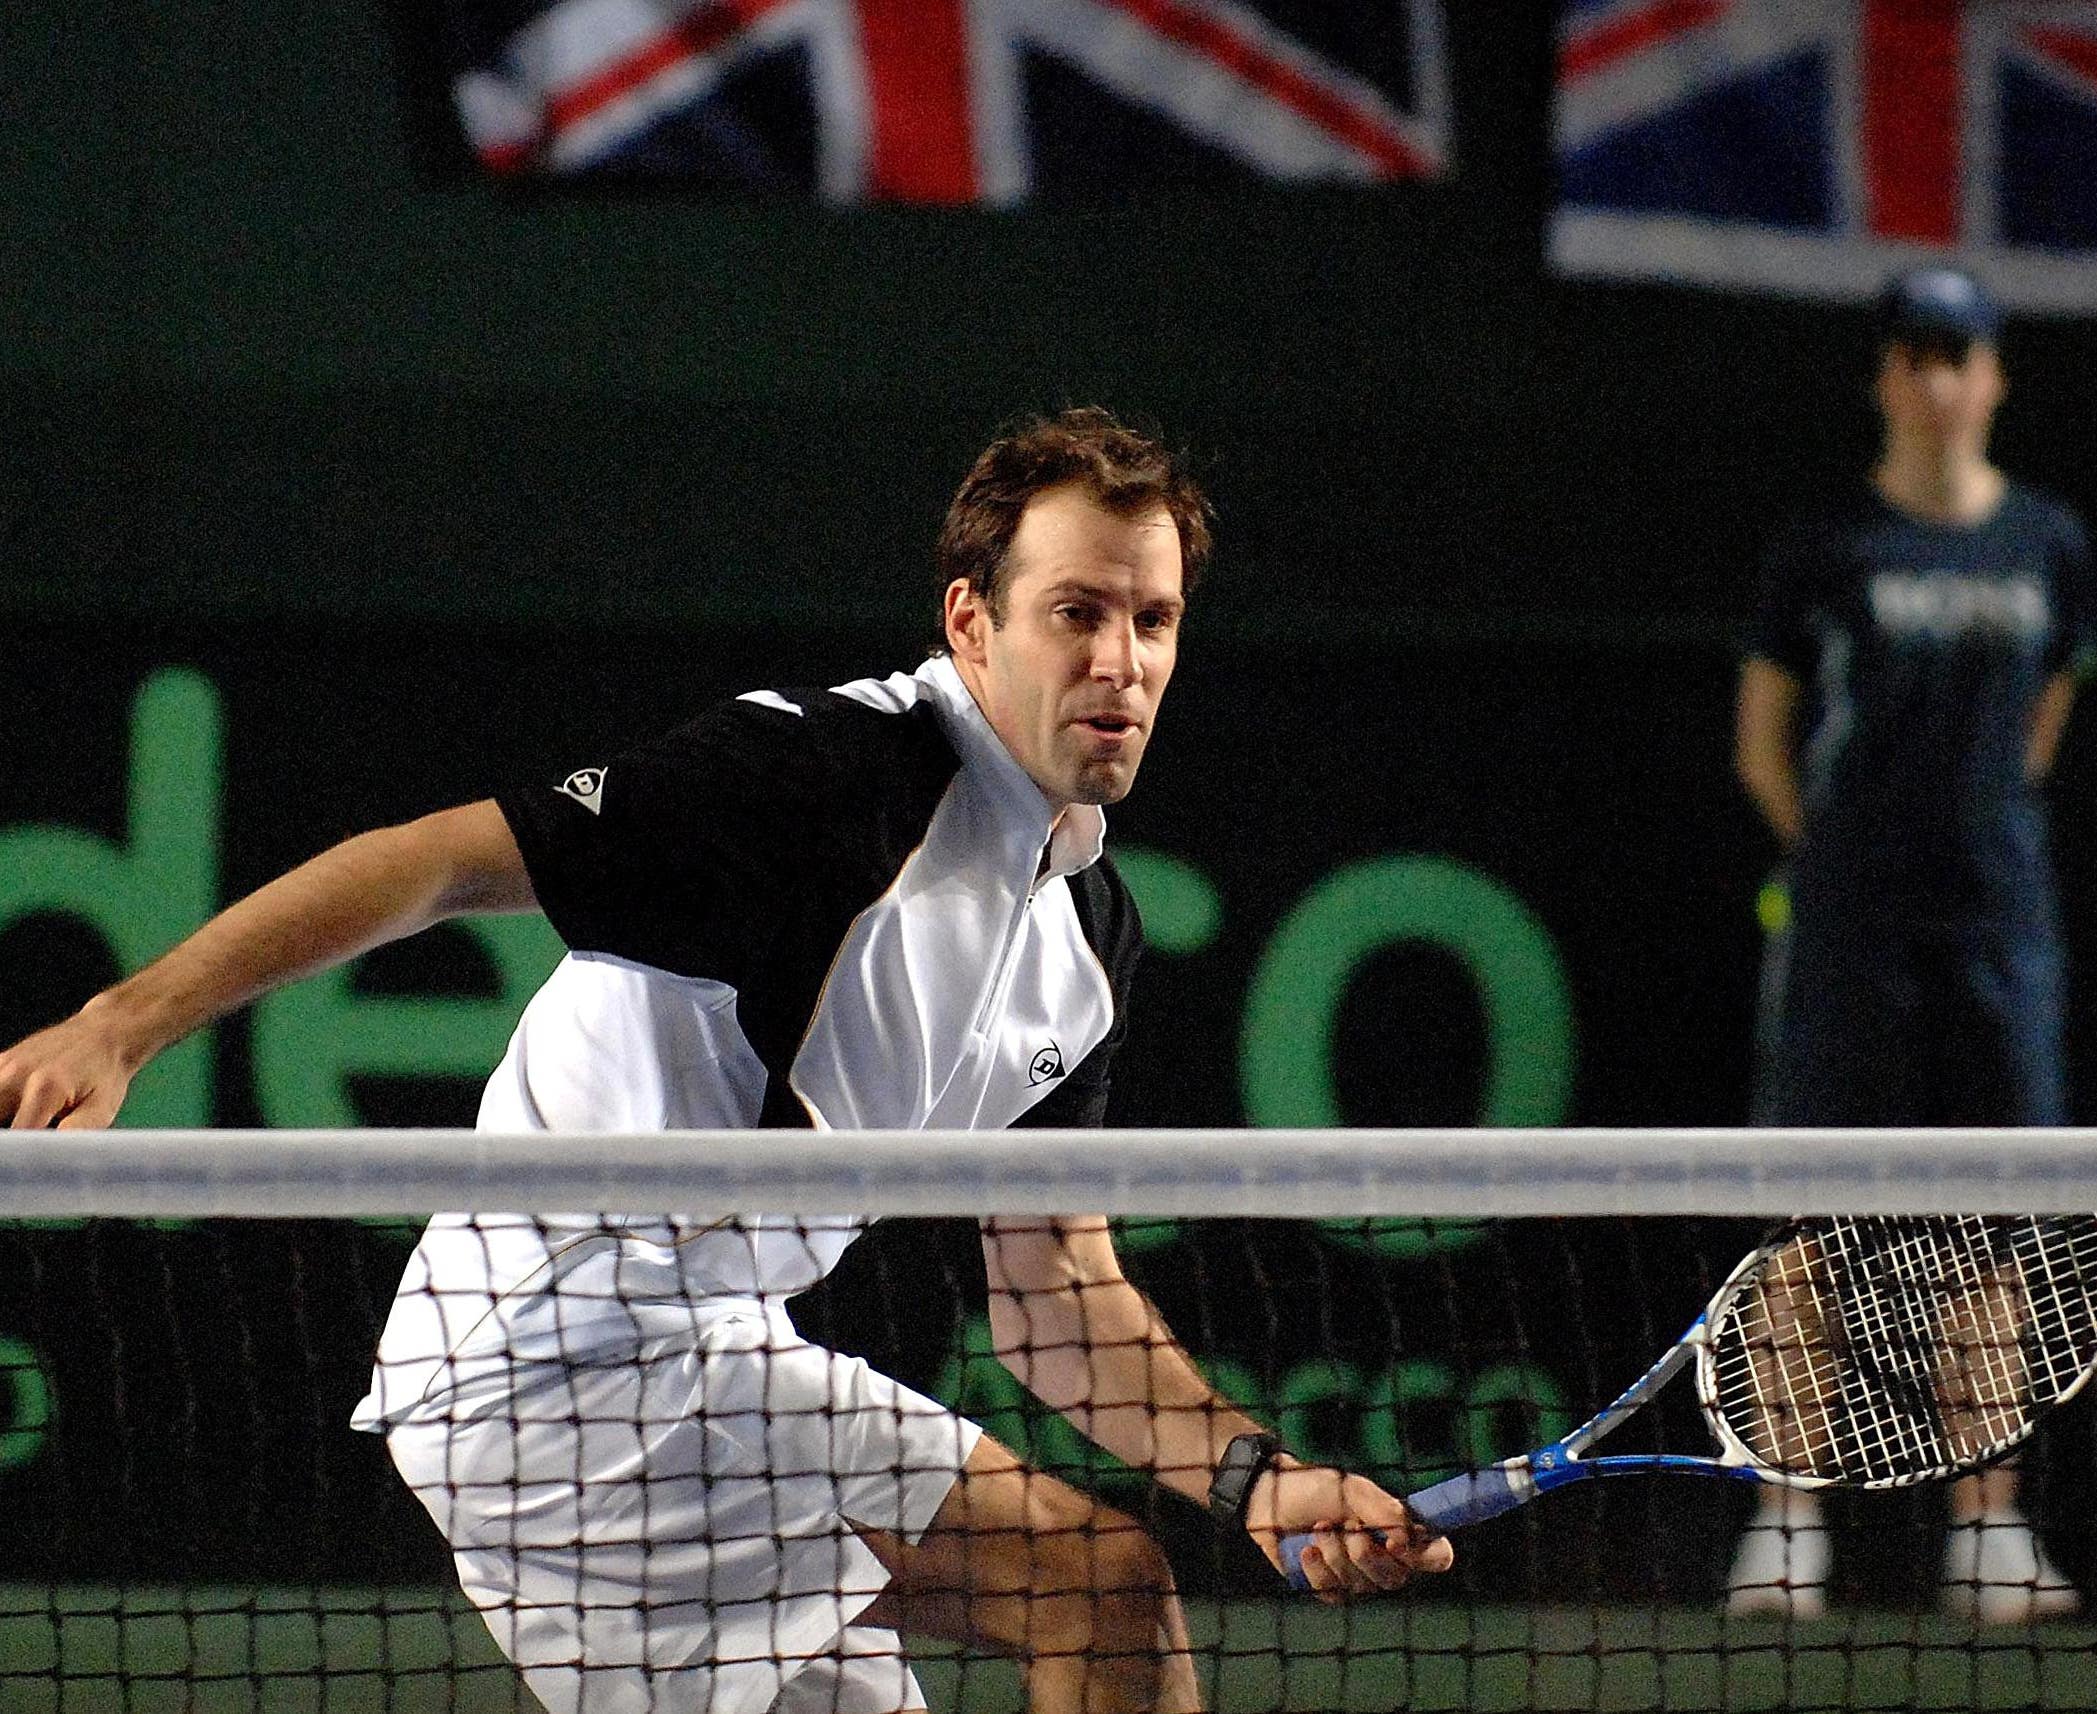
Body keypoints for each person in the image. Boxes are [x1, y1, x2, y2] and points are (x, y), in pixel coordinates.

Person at [0, 407, 1451, 1712]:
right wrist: (120, 1023)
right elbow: (427, 866)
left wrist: (1262, 1479)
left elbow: (1053, 1301)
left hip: (706, 1354)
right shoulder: (811, 781)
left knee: (1098, 1591)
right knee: (1093, 1580)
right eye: (1076, 612)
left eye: (1154, 619)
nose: (1120, 661)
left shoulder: (1087, 929)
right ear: (971, 622)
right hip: (547, 1363)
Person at [1727, 270, 2097, 1625]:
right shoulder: (1826, 545)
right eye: (1915, 356)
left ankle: (1989, 1536)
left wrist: (1978, 835)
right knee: (1811, 1225)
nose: (1939, 380)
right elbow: (1761, 738)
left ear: (1994, 376)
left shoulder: (2049, 542)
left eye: (1961, 355)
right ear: (1887, 377)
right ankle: (1784, 1528)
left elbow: (2050, 711)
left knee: (1997, 1232)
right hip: (1849, 932)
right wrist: (1831, 864)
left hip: (2002, 927)